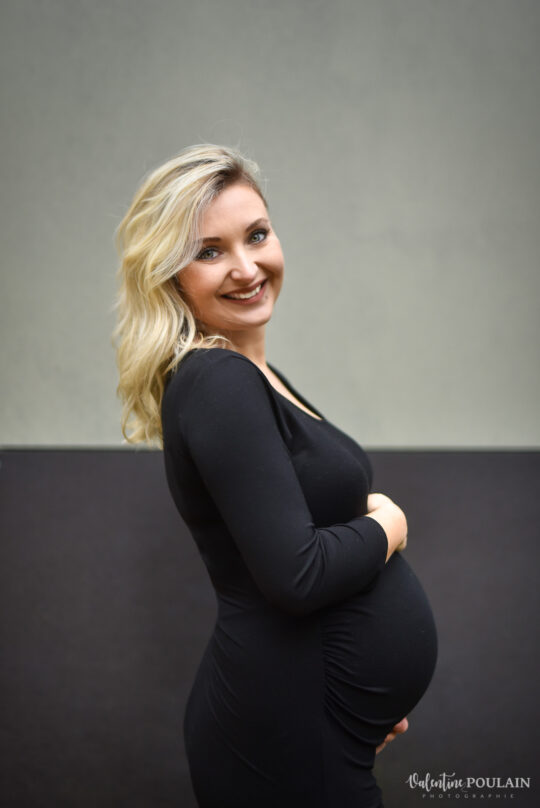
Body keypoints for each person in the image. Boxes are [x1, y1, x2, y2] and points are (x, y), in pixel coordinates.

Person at [113, 143, 438, 808]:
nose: (246, 267)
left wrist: (363, 703)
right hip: (280, 729)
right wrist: (391, 526)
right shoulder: (217, 379)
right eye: (210, 251)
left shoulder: (255, 376)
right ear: (171, 278)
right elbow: (298, 573)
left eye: (257, 235)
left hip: (316, 721)